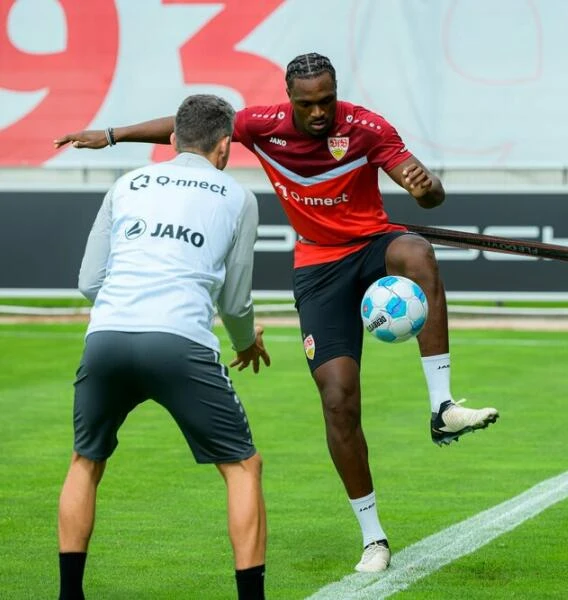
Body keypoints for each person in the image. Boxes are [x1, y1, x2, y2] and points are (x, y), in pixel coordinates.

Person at [54, 52, 499, 574]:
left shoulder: (368, 128)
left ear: (337, 92)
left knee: (418, 251)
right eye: (307, 103)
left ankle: (442, 408)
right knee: (338, 400)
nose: (318, 112)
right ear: (291, 99)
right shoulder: (262, 125)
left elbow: (427, 195)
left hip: (373, 246)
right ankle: (373, 537)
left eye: (326, 100)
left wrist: (428, 190)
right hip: (318, 267)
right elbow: (185, 127)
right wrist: (111, 135)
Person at [56, 94, 269, 600]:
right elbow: (236, 300)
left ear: (172, 140)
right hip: (179, 342)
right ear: (224, 148)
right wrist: (246, 342)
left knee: (85, 461)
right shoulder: (238, 197)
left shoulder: (127, 183)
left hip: (106, 337)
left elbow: (89, 281)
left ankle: (68, 596)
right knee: (242, 467)